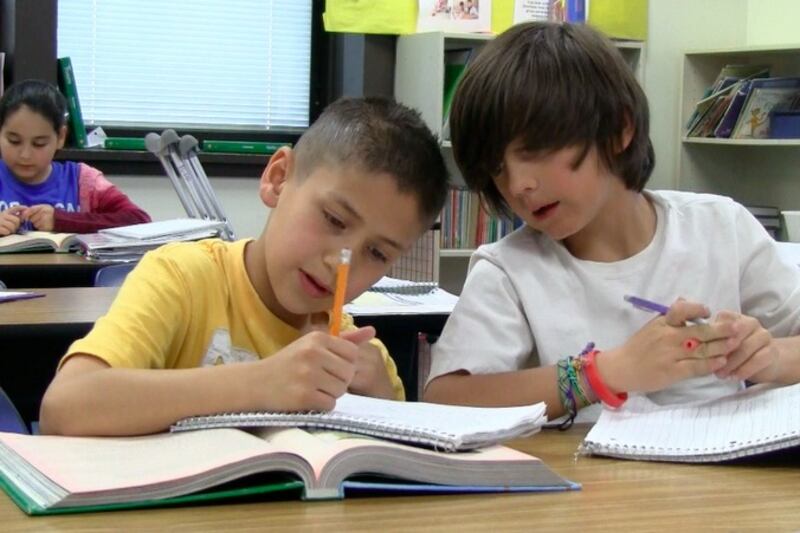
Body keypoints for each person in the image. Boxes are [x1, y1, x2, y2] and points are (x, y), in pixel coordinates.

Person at [423, 22, 800, 423]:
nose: (519, 185)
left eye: (535, 150)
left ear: (620, 129)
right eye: (497, 168)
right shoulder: (509, 270)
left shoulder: (721, 227)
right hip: (594, 482)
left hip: (721, 477)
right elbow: (446, 400)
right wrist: (605, 373)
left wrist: (770, 357)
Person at [39, 97, 449, 436]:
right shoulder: (182, 277)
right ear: (278, 177)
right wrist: (261, 382)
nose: (340, 262)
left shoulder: (359, 352)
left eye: (377, 254)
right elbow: (66, 407)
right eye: (334, 220)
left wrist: (380, 400)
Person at [0, 79, 151, 236]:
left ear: (60, 137)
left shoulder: (83, 181)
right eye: (14, 141)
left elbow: (139, 220)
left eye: (39, 143)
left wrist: (62, 220)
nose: (25, 155)